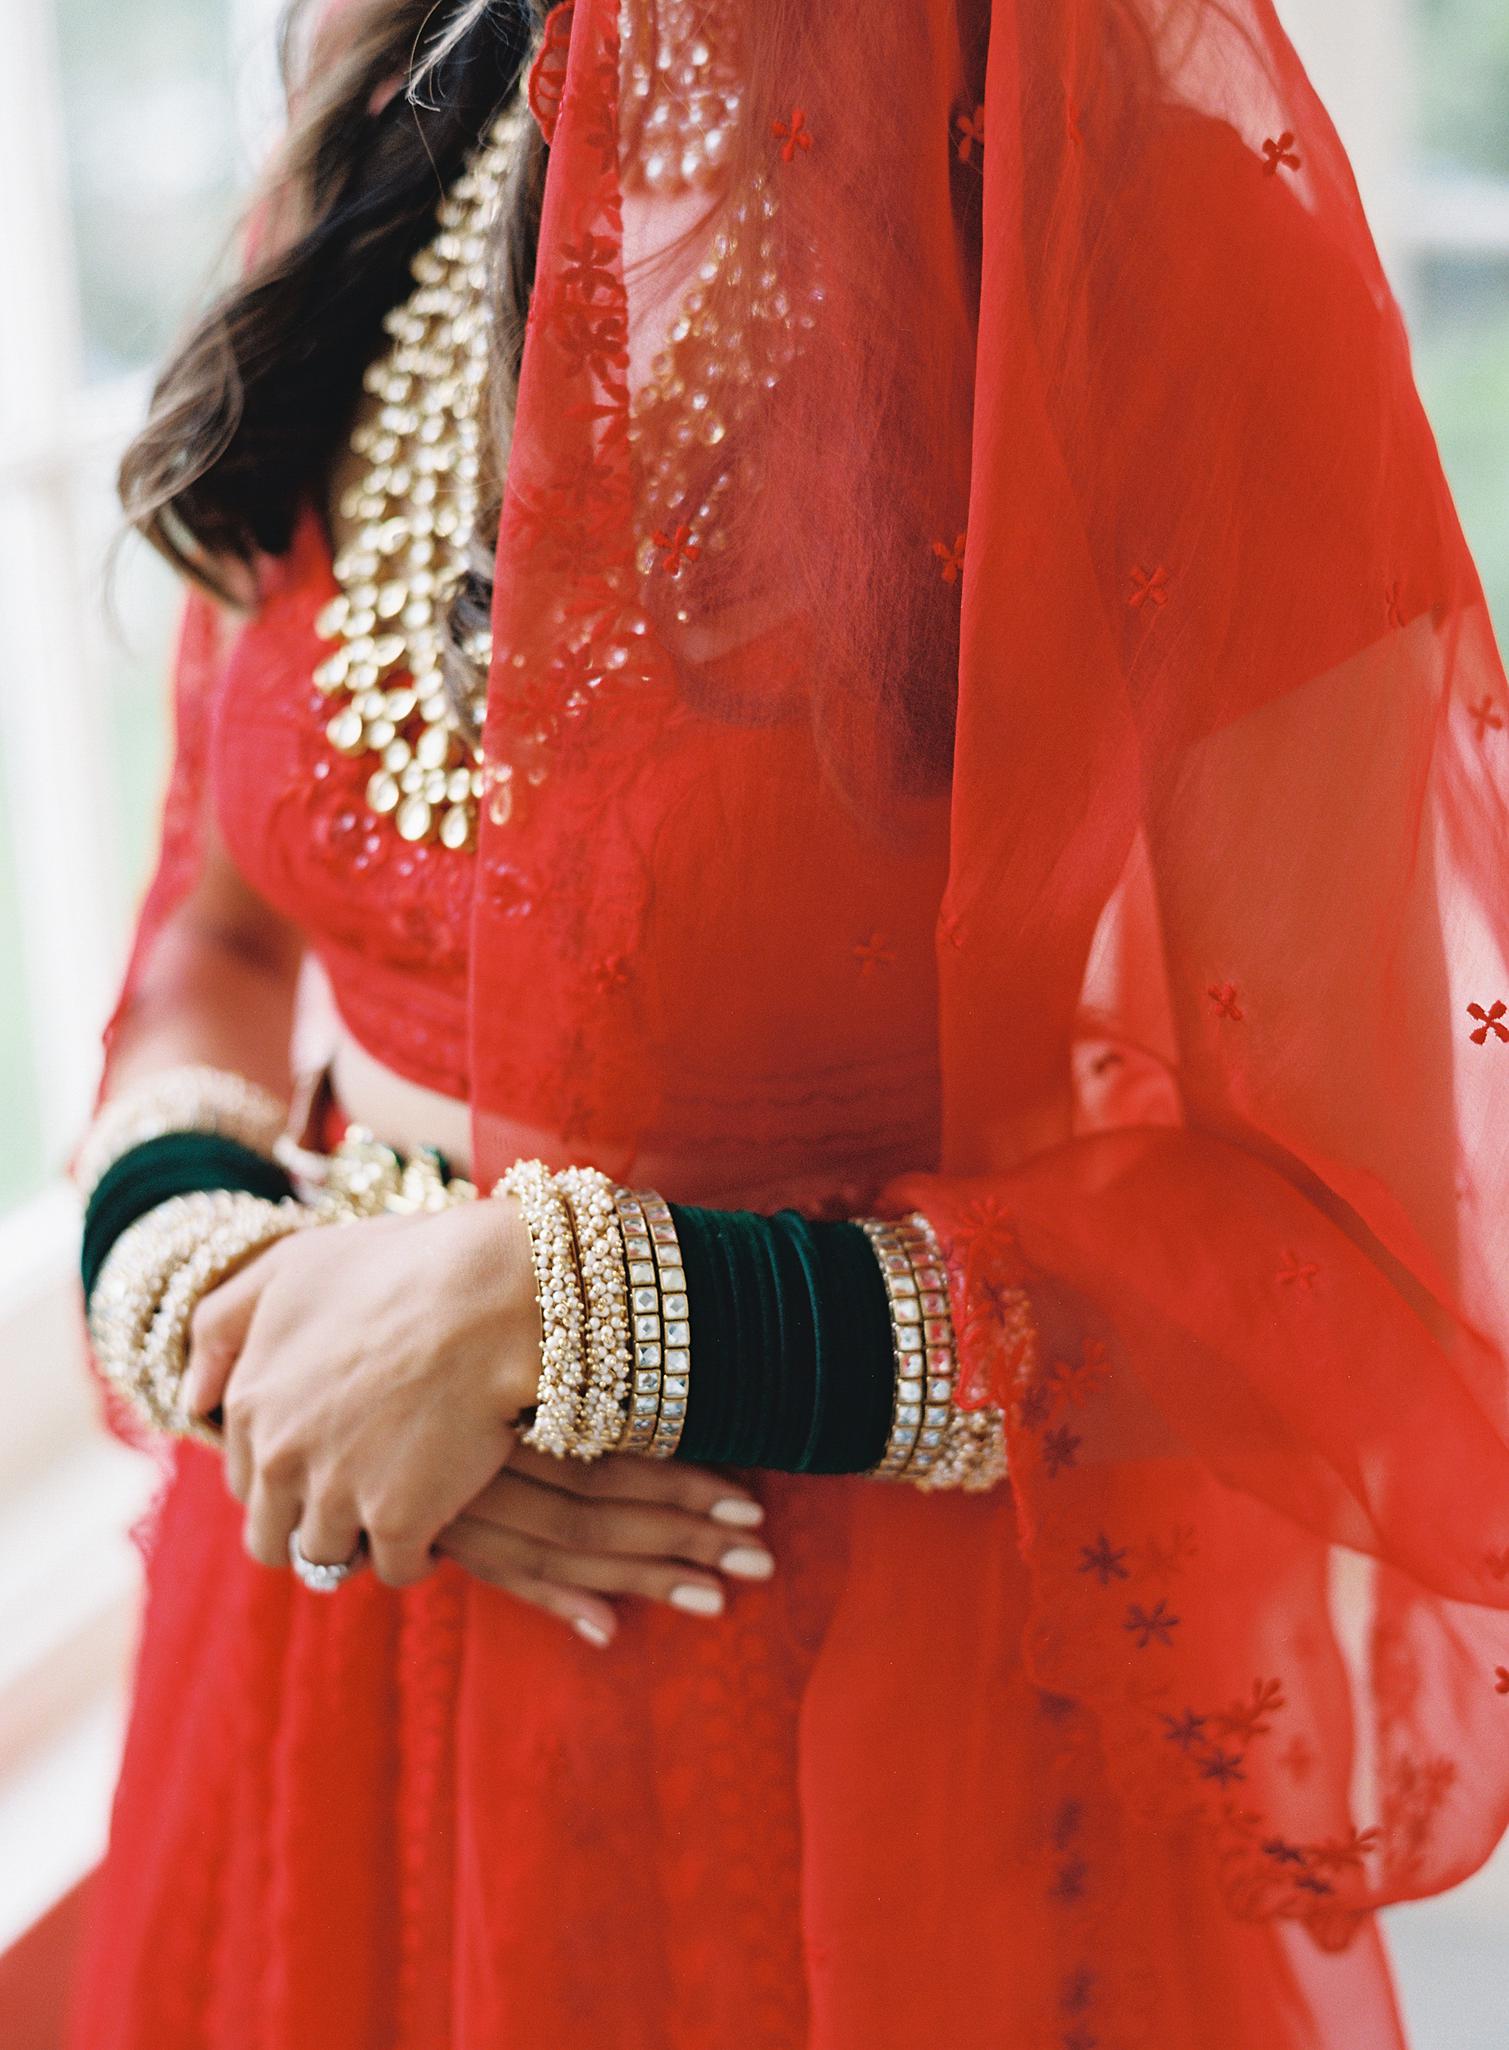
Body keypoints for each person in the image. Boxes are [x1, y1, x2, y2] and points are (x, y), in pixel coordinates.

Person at [65, 1, 1509, 2045]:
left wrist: (580, 1315)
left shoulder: (1155, 247)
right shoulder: (388, 153)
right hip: (316, 1614)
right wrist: (218, 1293)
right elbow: (201, 934)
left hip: (840, 1715)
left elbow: (1336, 1250)